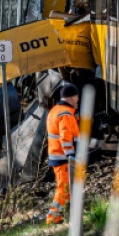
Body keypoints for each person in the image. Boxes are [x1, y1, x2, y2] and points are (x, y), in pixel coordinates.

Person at [46, 83, 80, 225]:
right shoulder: (65, 114)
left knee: (65, 186)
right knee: (64, 188)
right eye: (77, 97)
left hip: (56, 155)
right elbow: (65, 137)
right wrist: (71, 155)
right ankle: (53, 217)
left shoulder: (56, 110)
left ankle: (60, 215)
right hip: (63, 158)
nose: (78, 100)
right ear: (72, 98)